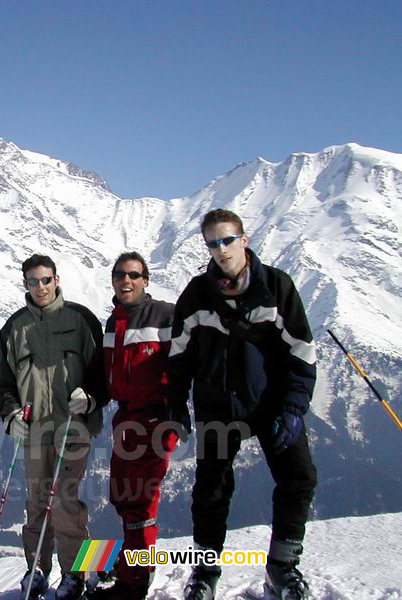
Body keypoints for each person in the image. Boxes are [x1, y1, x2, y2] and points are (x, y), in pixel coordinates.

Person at [167, 209, 317, 600]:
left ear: (244, 240)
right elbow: (178, 357)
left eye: (227, 240)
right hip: (217, 407)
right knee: (211, 490)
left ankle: (282, 568)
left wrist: (294, 408)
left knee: (299, 477)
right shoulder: (196, 294)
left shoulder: (277, 288)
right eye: (213, 243)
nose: (221, 250)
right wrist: (176, 406)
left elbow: (301, 353)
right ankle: (205, 572)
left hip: (269, 404)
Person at [0, 253, 109, 600]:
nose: (41, 287)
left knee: (65, 501)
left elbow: (102, 374)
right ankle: (37, 570)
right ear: (25, 285)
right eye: (33, 281)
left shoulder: (81, 320)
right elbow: (3, 385)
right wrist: (11, 415)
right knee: (36, 502)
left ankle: (75, 573)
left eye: (46, 280)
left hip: (74, 426)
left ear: (57, 280)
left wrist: (90, 398)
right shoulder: (14, 328)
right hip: (34, 430)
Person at [91, 251, 178, 600]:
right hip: (125, 417)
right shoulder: (114, 322)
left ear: (145, 279)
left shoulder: (166, 315)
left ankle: (134, 583)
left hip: (156, 417)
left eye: (133, 274)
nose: (126, 280)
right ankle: (130, 563)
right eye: (119, 275)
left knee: (141, 500)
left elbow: (186, 362)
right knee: (121, 494)